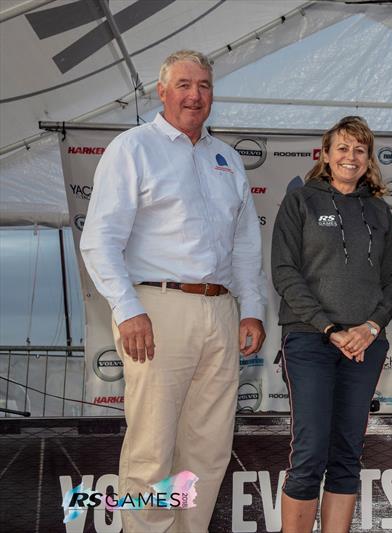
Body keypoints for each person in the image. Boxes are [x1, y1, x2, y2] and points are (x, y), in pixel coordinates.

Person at [80, 50, 268, 532]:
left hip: (221, 312)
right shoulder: (133, 147)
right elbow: (99, 239)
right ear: (160, 91)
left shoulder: (226, 157)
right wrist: (127, 309)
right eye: (183, 84)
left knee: (206, 450)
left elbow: (245, 244)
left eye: (204, 85)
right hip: (157, 310)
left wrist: (252, 310)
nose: (194, 95)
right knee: (151, 450)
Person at [271, 116, 392, 533]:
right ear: (325, 155)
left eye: (360, 150)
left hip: (364, 345)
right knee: (310, 453)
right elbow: (284, 271)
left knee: (347, 453)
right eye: (342, 148)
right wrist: (331, 329)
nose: (351, 156)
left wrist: (371, 328)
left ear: (368, 160)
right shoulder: (300, 201)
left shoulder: (379, 211)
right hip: (311, 340)